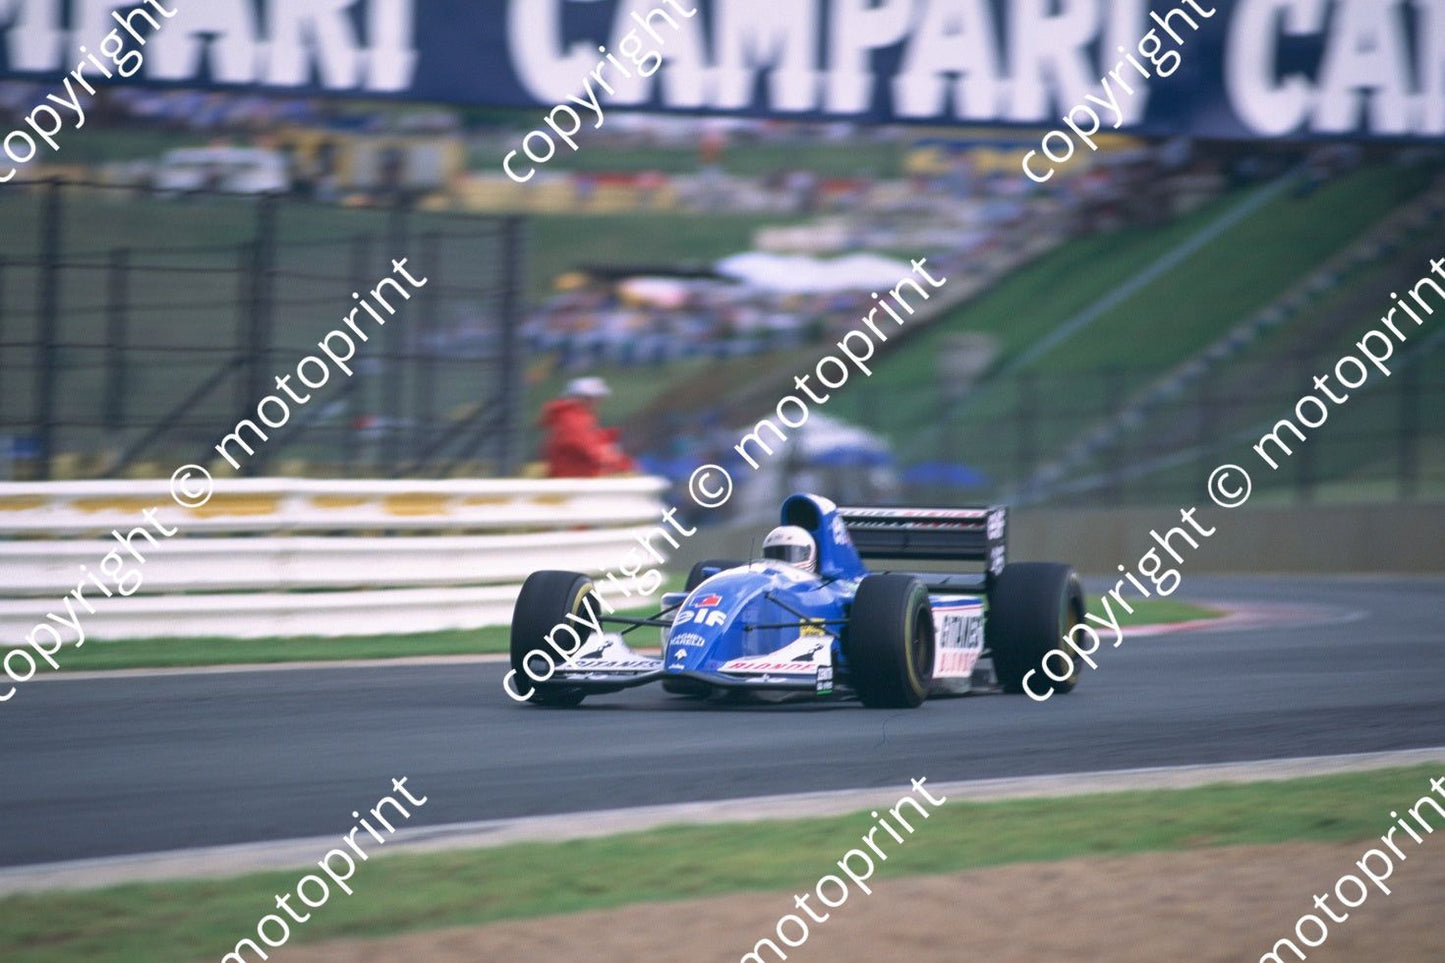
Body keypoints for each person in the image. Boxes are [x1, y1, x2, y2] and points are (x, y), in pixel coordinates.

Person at [539, 376, 636, 478]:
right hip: (572, 482)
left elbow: (591, 442)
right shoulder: (570, 419)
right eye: (592, 398)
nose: (598, 402)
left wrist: (611, 436)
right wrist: (622, 463)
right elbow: (589, 451)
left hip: (579, 479)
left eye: (599, 397)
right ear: (579, 398)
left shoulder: (577, 417)